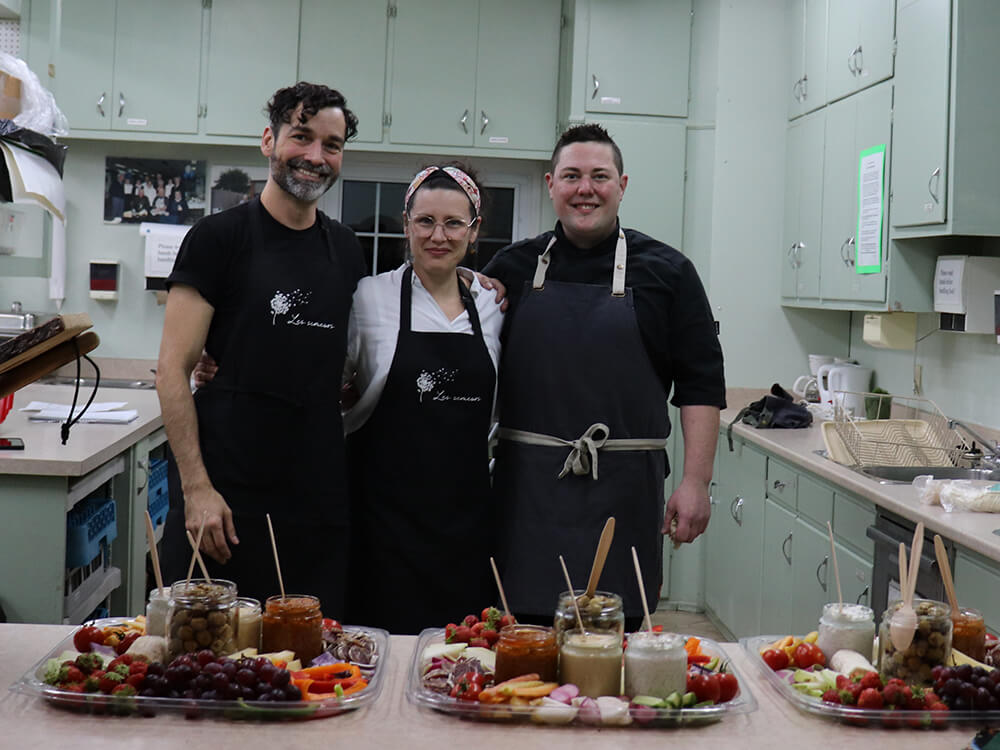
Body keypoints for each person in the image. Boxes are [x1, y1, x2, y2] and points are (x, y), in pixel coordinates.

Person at [484, 124, 725, 631]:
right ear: (551, 184)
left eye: (599, 176)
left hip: (624, 492)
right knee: (522, 641)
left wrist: (695, 481)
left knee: (614, 639)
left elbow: (700, 384)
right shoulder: (509, 268)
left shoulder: (670, 273)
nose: (585, 188)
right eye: (571, 176)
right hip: (526, 494)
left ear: (622, 184)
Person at [155, 82, 366, 613]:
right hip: (226, 496)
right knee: (208, 659)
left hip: (316, 495)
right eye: (302, 137)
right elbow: (171, 370)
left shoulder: (345, 248)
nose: (316, 157)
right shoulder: (217, 238)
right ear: (269, 140)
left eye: (332, 145)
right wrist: (197, 489)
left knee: (310, 664)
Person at [342, 164, 503, 634]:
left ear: (474, 233)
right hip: (381, 520)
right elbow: (326, 380)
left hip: (466, 521)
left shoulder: (493, 307)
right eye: (425, 221)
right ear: (406, 223)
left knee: (460, 653)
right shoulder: (370, 298)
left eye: (454, 223)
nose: (438, 235)